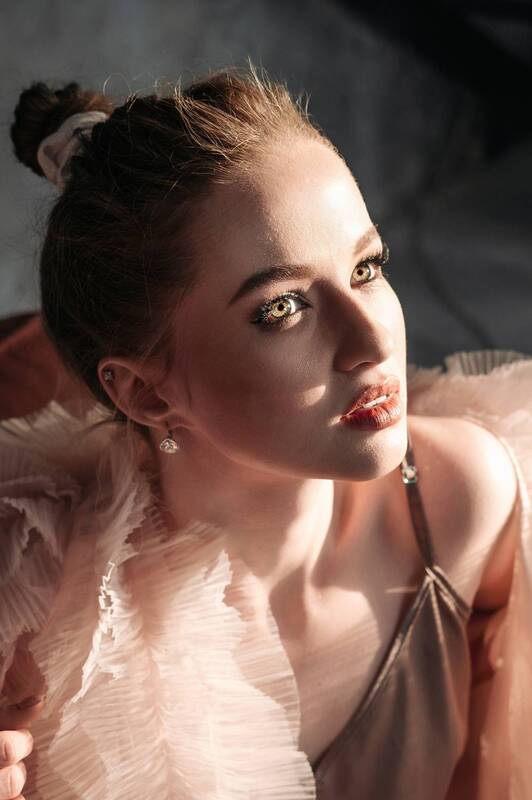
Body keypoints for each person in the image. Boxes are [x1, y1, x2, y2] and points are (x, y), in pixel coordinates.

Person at [0, 64, 530, 800]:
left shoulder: (462, 502)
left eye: (367, 267)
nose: (374, 341)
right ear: (147, 391)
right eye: (282, 308)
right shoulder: (42, 617)